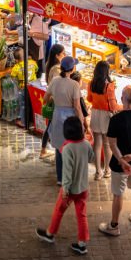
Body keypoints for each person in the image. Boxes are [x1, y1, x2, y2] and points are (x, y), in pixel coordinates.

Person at [36, 115, 94, 255]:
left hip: (70, 189)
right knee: (82, 215)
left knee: (59, 210)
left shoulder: (67, 148)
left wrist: (65, 189)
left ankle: (50, 234)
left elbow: (67, 172)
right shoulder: (85, 144)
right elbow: (91, 158)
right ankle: (82, 244)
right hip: (83, 187)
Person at [99, 85, 131, 237]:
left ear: (122, 99)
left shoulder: (115, 119)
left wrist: (122, 160)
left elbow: (112, 143)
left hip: (118, 165)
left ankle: (114, 226)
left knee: (118, 194)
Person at [44, 56, 88, 185]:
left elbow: (46, 98)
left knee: (59, 148)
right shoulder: (74, 84)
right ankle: (70, 178)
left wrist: (56, 100)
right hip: (70, 118)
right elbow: (77, 106)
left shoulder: (55, 81)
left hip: (57, 116)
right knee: (70, 148)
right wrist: (81, 122)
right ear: (72, 69)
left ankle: (60, 179)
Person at [87, 60, 118, 179]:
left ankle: (98, 172)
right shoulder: (109, 86)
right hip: (106, 116)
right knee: (107, 144)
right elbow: (113, 106)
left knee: (97, 143)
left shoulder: (91, 84)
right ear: (106, 72)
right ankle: (107, 170)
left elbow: (89, 99)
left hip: (95, 114)